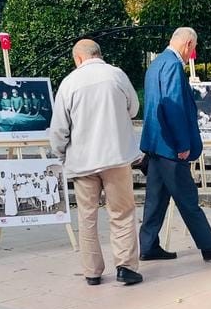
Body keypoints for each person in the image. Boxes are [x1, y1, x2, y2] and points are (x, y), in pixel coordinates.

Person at [138, 27, 211, 264]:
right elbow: (173, 108)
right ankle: (209, 246)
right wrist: (182, 143)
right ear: (188, 44)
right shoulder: (172, 65)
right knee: (188, 199)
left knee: (156, 198)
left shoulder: (156, 64)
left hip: (155, 144)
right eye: (194, 48)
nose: (193, 53)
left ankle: (148, 245)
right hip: (171, 146)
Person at [49, 38, 143, 286]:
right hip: (116, 157)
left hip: (82, 161)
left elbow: (59, 128)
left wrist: (60, 155)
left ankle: (92, 271)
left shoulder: (69, 83)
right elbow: (134, 108)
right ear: (98, 54)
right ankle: (126, 267)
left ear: (78, 58)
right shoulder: (117, 75)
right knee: (122, 212)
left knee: (87, 216)